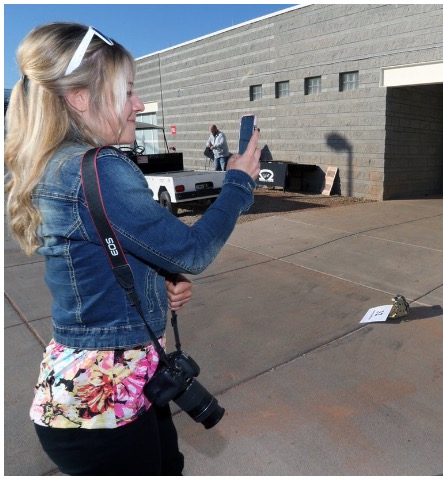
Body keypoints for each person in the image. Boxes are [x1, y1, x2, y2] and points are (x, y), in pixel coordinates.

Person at [4, 22, 261, 475]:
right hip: (103, 406)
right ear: (81, 98)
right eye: (127, 92)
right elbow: (193, 251)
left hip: (109, 389)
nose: (138, 105)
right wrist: (238, 182)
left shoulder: (55, 165)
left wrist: (160, 286)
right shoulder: (99, 168)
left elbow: (91, 268)